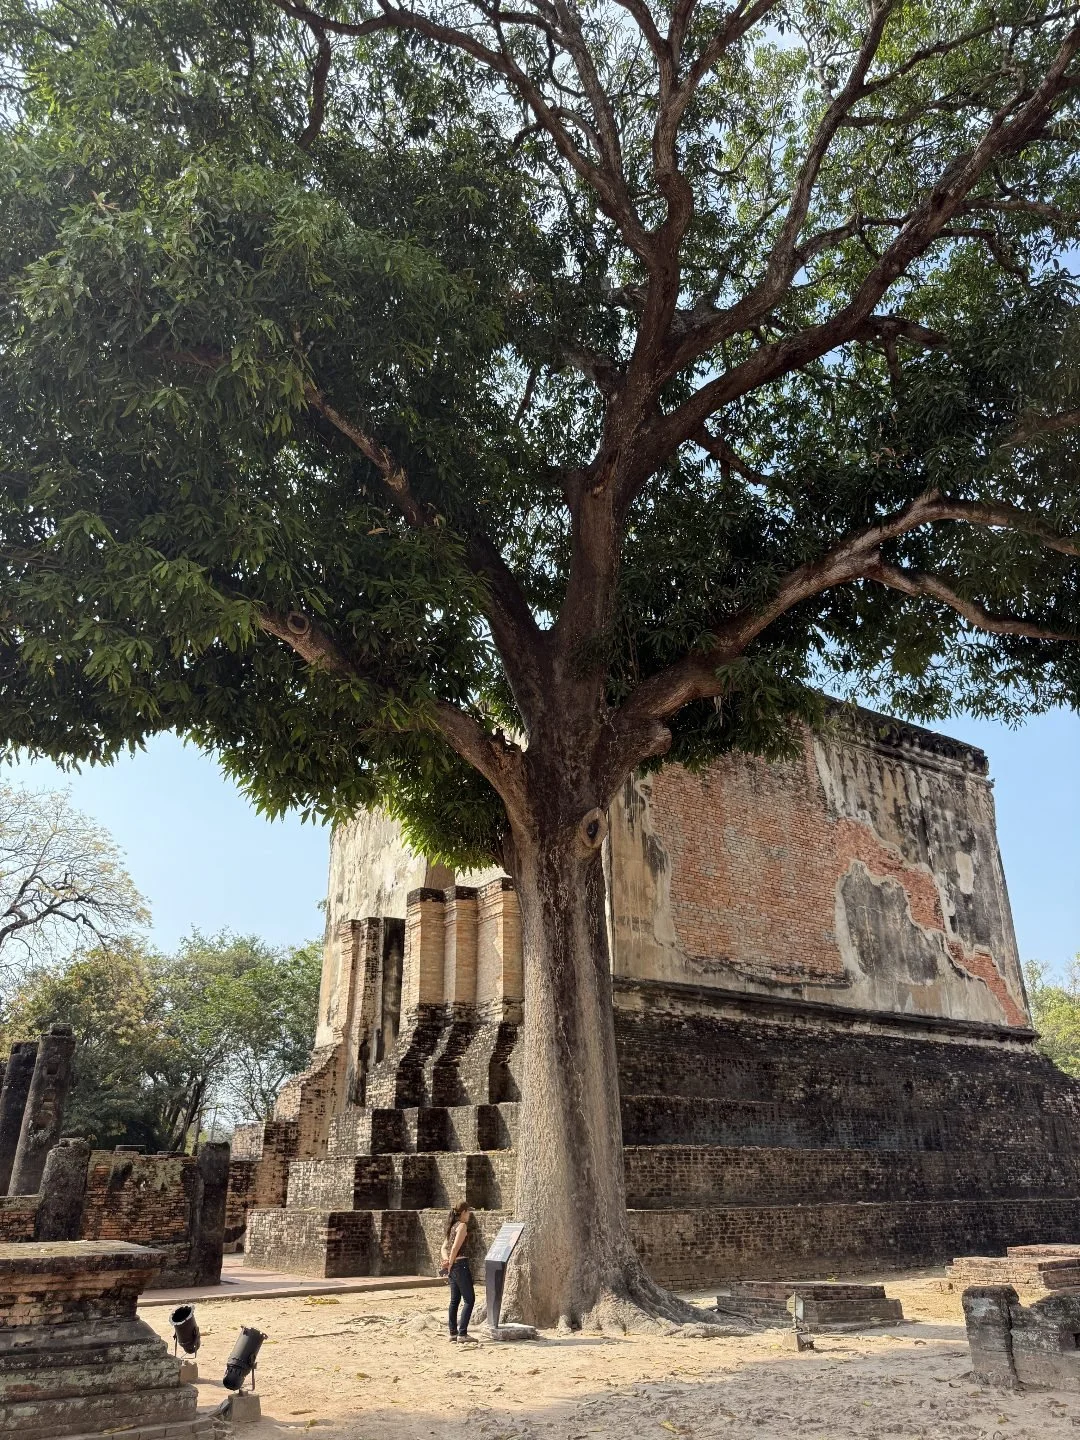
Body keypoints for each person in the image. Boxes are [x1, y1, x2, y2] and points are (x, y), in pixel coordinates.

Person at [440, 1202, 475, 1343]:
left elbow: (444, 1248)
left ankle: (453, 1333)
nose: (469, 1215)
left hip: (454, 1267)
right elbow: (454, 1248)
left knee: (454, 1301)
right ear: (464, 1212)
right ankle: (462, 1333)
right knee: (469, 1300)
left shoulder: (451, 1227)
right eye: (468, 1212)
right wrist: (450, 1263)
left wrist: (447, 1261)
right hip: (460, 1265)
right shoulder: (461, 1226)